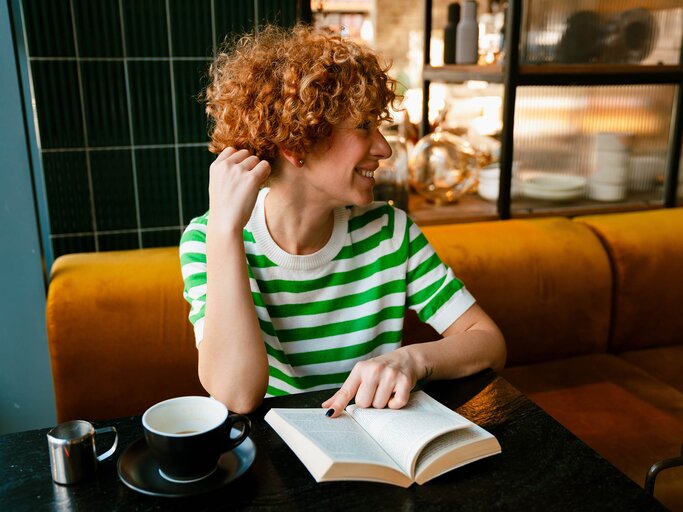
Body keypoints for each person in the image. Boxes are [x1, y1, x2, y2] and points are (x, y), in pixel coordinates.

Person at [180, 24, 505, 417]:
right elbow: (237, 395)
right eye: (365, 126)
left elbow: (489, 342)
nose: (384, 148)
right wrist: (225, 232)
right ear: (297, 143)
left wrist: (412, 360)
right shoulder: (207, 240)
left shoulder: (390, 232)